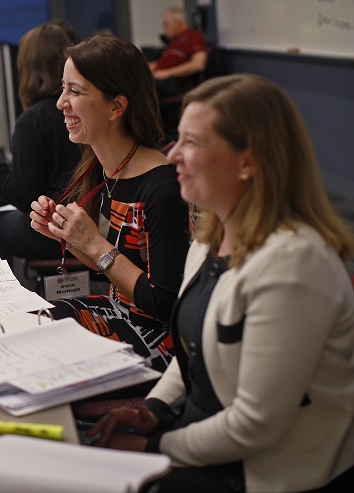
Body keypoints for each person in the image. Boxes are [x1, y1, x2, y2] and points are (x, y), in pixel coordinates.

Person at [88, 74, 354, 492]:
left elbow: (255, 428)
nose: (172, 155)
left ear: (248, 161)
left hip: (263, 473)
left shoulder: (294, 266)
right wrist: (153, 410)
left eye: (191, 143)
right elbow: (195, 353)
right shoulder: (213, 236)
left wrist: (153, 448)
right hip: (207, 439)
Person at [30, 34, 190, 374]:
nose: (60, 102)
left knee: (37, 350)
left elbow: (164, 305)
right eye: (63, 88)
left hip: (158, 341)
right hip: (120, 313)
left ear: (116, 107)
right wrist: (66, 236)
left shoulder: (162, 187)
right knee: (27, 326)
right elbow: (106, 265)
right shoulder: (104, 167)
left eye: (75, 91)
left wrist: (92, 242)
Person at [0, 23, 81, 263]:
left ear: (27, 68)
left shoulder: (34, 120)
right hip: (82, 216)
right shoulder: (81, 108)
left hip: (55, 230)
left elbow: (24, 198)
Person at [149, 6, 208, 100]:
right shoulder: (175, 41)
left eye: (166, 24)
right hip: (158, 78)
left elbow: (199, 64)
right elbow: (165, 63)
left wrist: (167, 73)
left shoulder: (194, 37)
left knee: (137, 88)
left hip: (171, 83)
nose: (164, 28)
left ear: (177, 23)